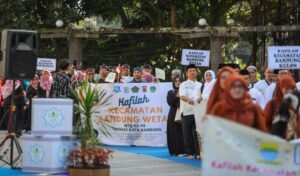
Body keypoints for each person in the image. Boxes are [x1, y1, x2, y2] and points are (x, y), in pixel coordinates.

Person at [179, 64, 201, 159]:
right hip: (187, 111)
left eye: (194, 70)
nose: (192, 72)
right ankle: (190, 153)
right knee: (187, 133)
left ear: (196, 72)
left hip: (198, 111)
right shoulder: (184, 84)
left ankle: (198, 152)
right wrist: (188, 100)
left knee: (197, 133)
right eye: (190, 71)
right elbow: (181, 96)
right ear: (187, 73)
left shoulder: (200, 84)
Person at [166, 76, 185, 156]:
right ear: (173, 83)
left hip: (184, 114)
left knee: (183, 132)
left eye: (179, 81)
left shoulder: (185, 91)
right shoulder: (170, 92)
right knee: (174, 132)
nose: (177, 82)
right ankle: (176, 151)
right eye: (176, 81)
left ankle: (184, 150)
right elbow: (170, 102)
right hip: (173, 115)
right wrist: (176, 96)